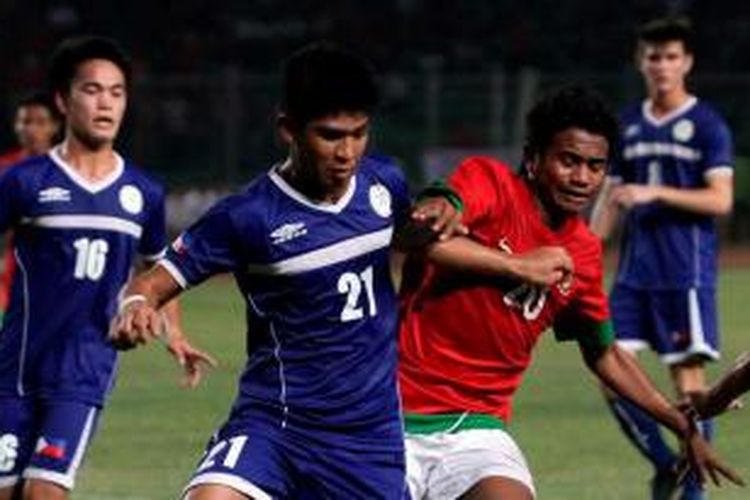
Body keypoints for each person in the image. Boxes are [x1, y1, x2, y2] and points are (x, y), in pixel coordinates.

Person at [111, 42, 462, 500]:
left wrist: (442, 205)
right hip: (275, 427)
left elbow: (408, 235)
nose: (347, 152)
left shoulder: (384, 182)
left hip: (367, 439)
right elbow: (154, 280)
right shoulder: (248, 216)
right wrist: (136, 304)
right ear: (288, 129)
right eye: (331, 135)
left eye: (359, 134)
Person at [398, 85, 742, 500]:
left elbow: (604, 352)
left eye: (595, 166)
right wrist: (518, 264)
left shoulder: (583, 252)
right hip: (389, 413)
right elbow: (418, 235)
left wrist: (679, 422)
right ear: (533, 158)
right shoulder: (489, 182)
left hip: (477, 430)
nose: (582, 178)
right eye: (569, 161)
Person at [0, 36, 211, 500]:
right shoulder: (24, 181)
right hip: (13, 367)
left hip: (83, 370)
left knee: (43, 492)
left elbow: (158, 270)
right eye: (92, 90)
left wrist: (173, 333)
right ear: (64, 100)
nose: (106, 103)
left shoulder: (143, 192)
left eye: (117, 93)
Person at [590, 17, 733, 500]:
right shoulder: (627, 123)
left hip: (684, 275)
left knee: (691, 388)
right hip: (633, 275)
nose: (662, 65)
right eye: (654, 56)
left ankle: (693, 490)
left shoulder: (707, 124)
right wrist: (585, 255)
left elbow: (720, 200)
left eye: (672, 56)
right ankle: (665, 462)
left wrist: (656, 192)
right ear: (640, 62)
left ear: (687, 62)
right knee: (608, 374)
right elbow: (611, 195)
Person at [0, 91, 62, 318]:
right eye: (25, 121)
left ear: (55, 126)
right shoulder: (5, 169)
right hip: (12, 279)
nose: (31, 129)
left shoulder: (67, 170)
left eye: (40, 122)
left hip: (60, 277)